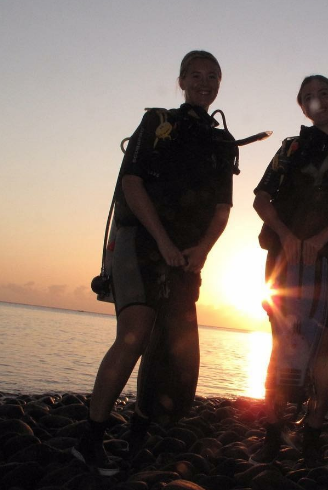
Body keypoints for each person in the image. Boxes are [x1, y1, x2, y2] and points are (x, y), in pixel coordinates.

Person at [74, 50, 239, 475]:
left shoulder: (222, 142)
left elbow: (223, 208)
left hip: (187, 254)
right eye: (196, 75)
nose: (205, 82)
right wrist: (163, 241)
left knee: (171, 348)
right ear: (181, 80)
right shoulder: (156, 123)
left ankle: (137, 435)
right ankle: (90, 440)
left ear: (219, 84)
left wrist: (200, 251)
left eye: (213, 76)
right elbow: (132, 183)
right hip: (139, 241)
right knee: (135, 333)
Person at [251, 74, 328, 467]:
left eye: (324, 92)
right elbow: (261, 198)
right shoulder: (290, 148)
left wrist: (324, 236)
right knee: (280, 343)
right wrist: (287, 236)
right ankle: (272, 432)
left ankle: (312, 435)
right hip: (285, 261)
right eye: (308, 96)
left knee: (323, 347)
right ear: (301, 107)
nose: (317, 100)